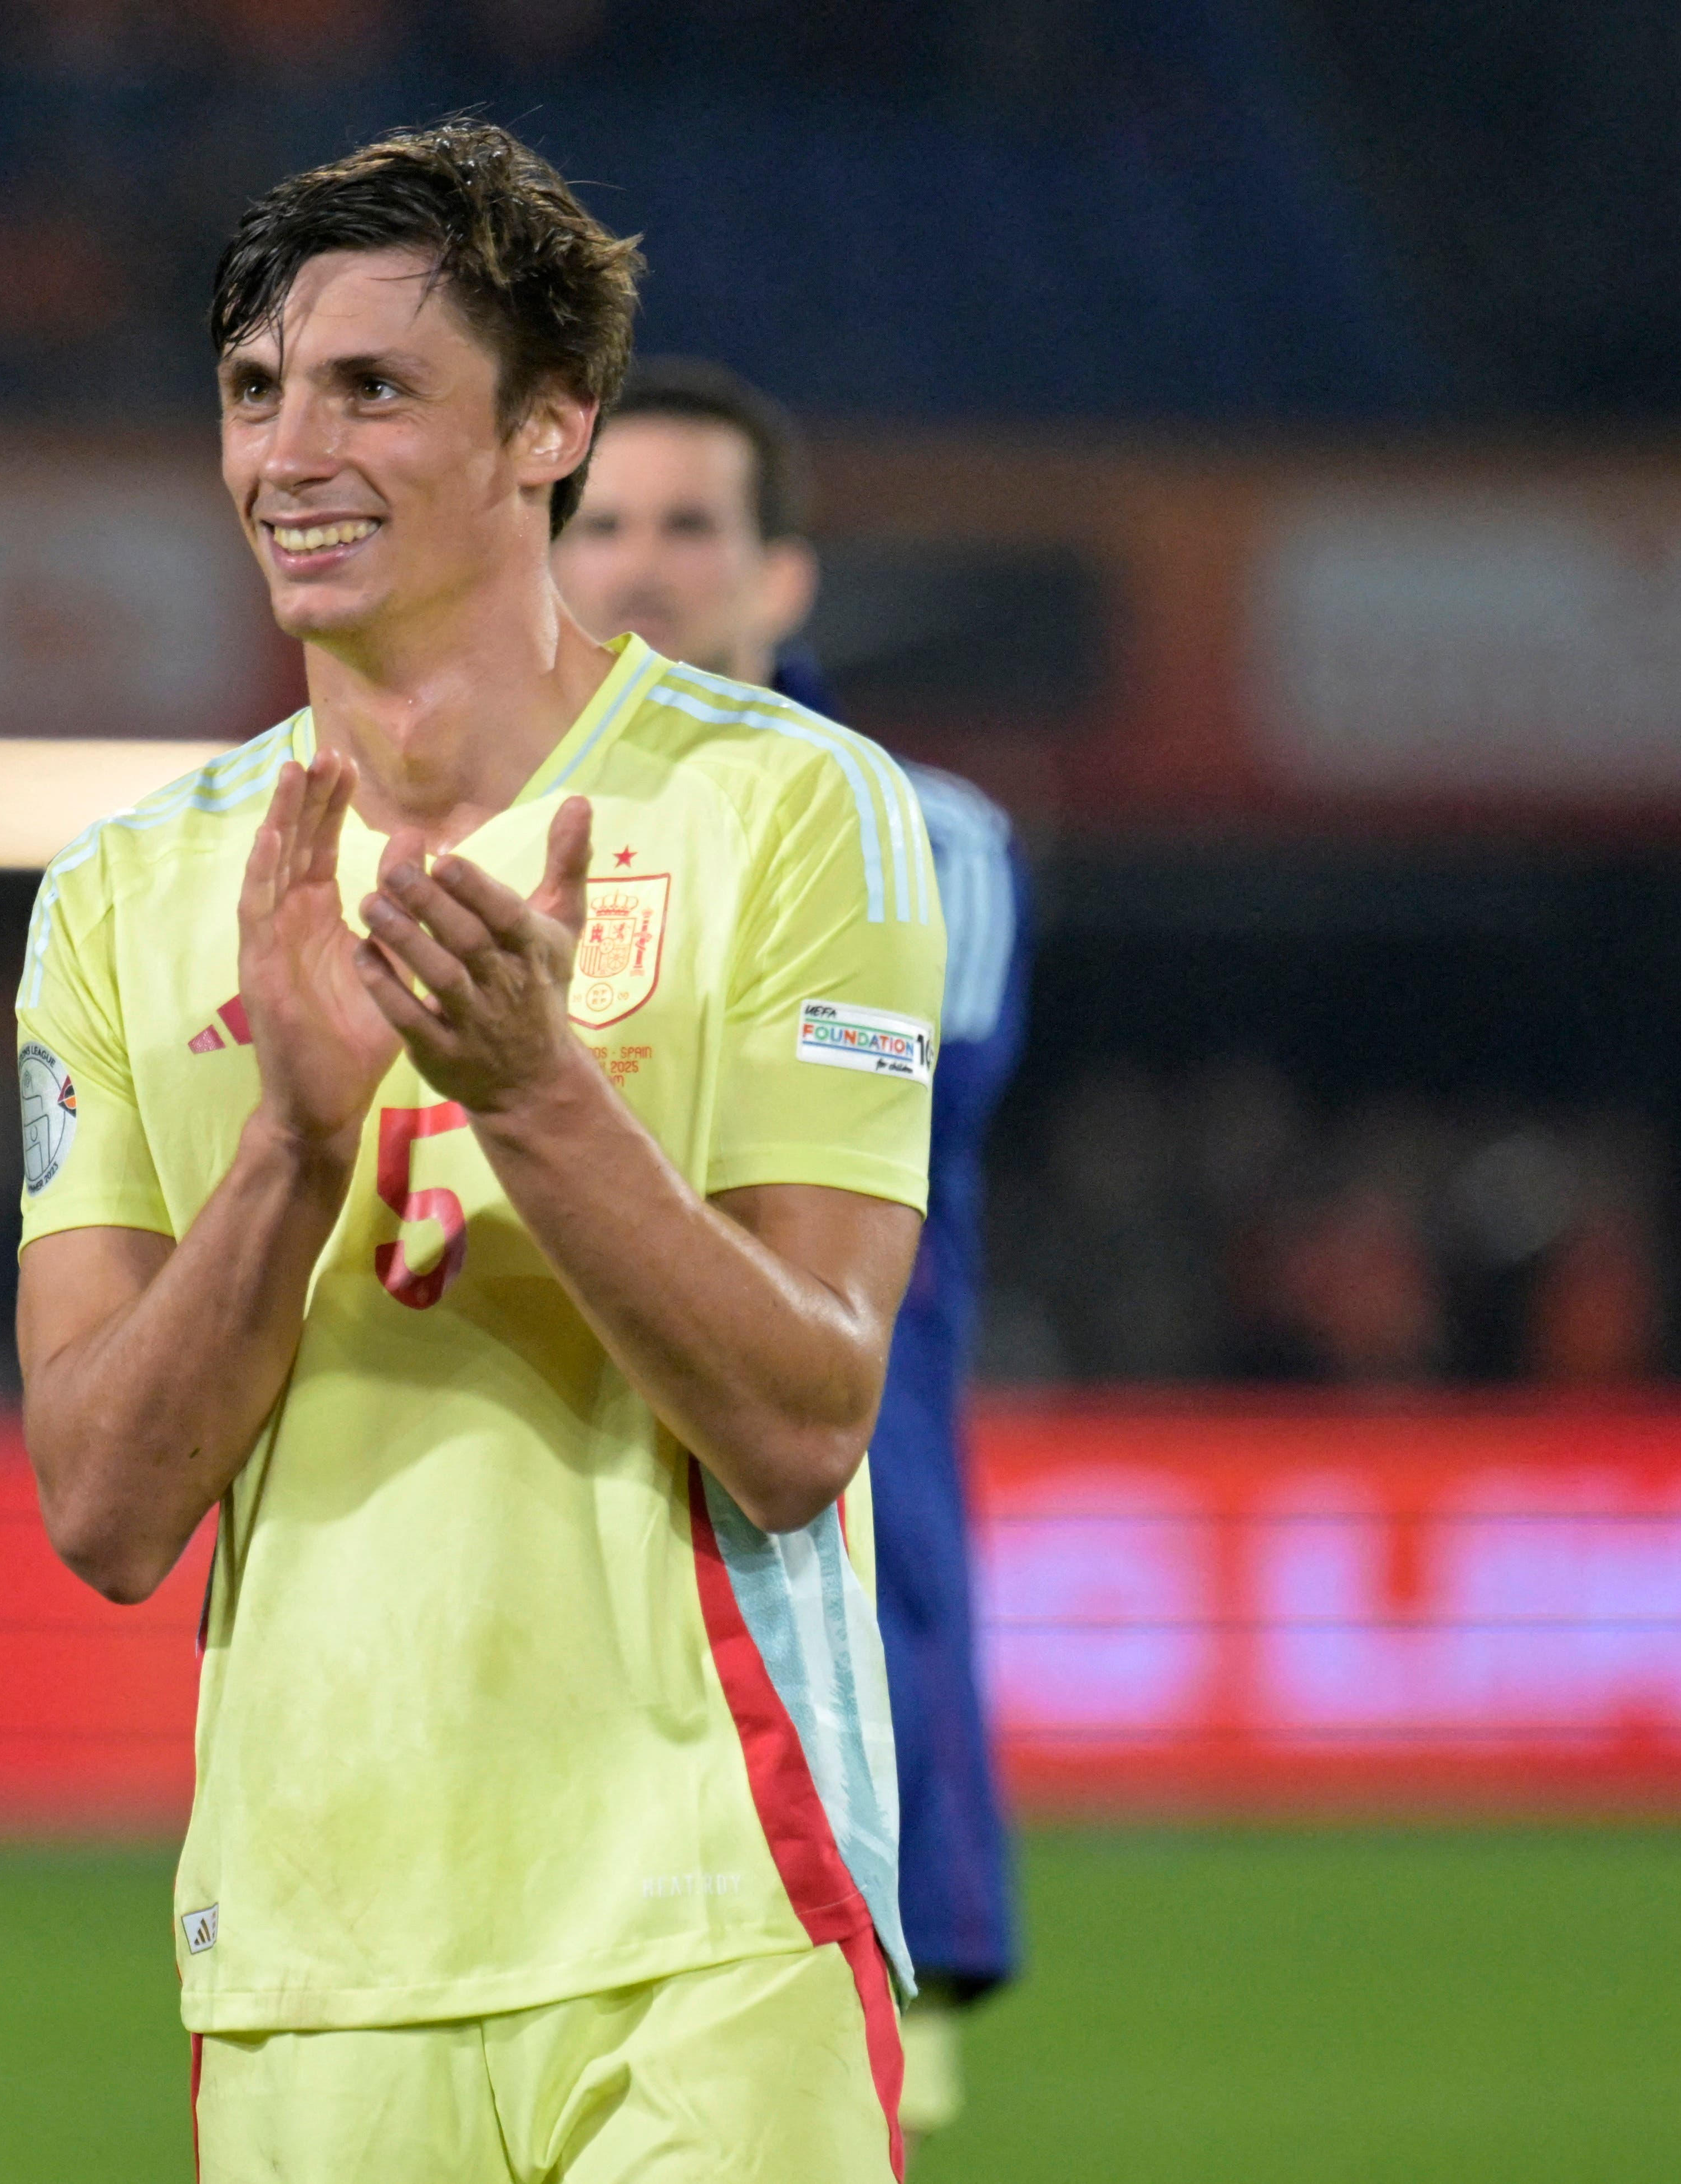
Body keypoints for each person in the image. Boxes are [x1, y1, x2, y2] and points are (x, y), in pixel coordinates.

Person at [12, 122, 944, 2181]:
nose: (288, 450)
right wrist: (293, 1145)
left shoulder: (791, 812)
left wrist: (535, 1089)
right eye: (255, 391)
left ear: (551, 428)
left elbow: (803, 1421)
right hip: (303, 1964)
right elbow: (101, 1504)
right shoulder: (122, 894)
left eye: (370, 386)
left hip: (710, 1917)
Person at [558, 357, 1030, 2156]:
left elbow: (818, 1135)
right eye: (597, 524)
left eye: (692, 526)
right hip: (537, 1644)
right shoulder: (457, 836)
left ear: (782, 579)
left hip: (816, 1616)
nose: (641, 570)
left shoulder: (925, 844)